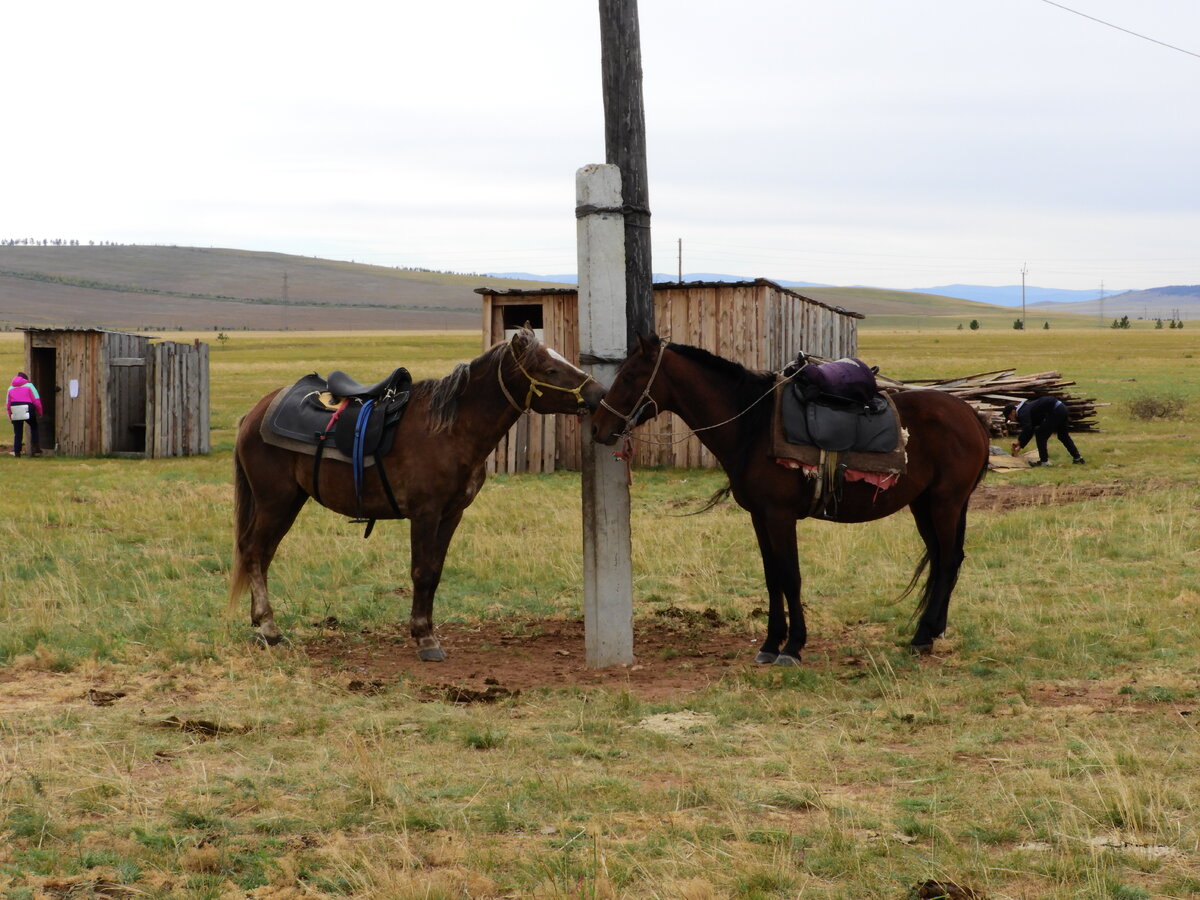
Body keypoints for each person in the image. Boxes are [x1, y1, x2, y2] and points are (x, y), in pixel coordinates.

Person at [1004, 397, 1084, 467]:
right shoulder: (1025, 409)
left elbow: (1027, 428)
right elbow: (1030, 430)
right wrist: (1020, 445)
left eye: (1009, 418)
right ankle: (1078, 458)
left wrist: (1019, 441)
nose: (1011, 420)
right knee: (1063, 436)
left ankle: (1044, 462)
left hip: (1055, 410)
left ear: (1013, 412)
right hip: (1061, 408)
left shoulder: (1022, 412)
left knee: (1040, 434)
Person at [6, 372, 43, 458]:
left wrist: (10, 415)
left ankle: (17, 452)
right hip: (28, 407)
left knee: (18, 432)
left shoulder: (10, 388)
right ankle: (35, 448)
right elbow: (36, 400)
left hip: (15, 408)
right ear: (25, 379)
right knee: (33, 426)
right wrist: (40, 412)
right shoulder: (30, 386)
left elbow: (8, 404)